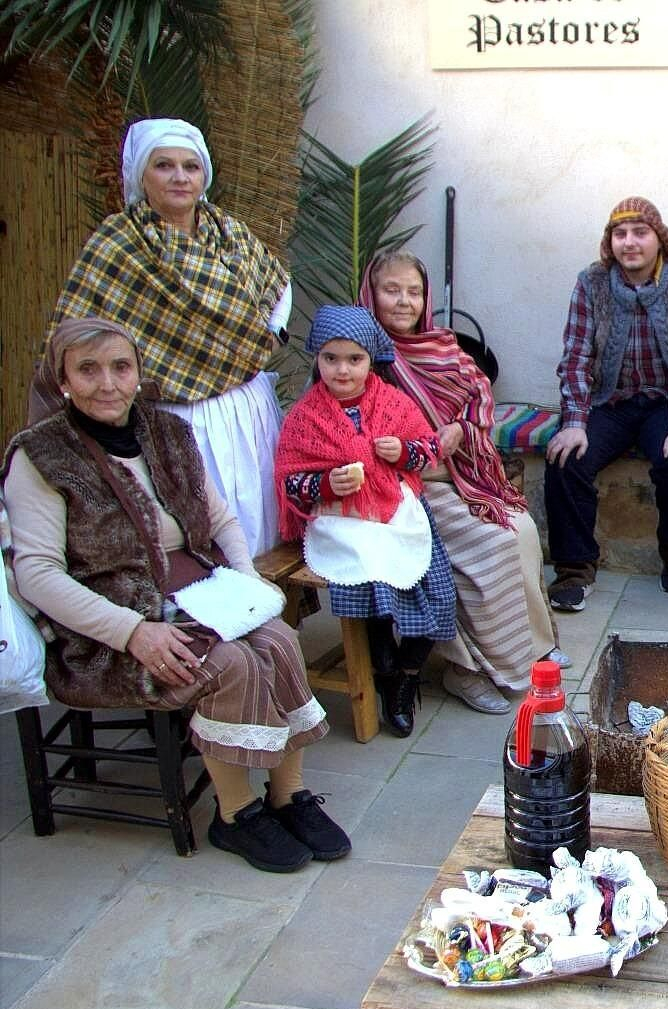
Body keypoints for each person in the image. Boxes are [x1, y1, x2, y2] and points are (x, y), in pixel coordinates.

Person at [5, 317, 347, 874]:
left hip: (201, 594)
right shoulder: (42, 457)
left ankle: (288, 796)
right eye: (87, 370)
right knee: (230, 663)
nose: (107, 383)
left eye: (120, 366)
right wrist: (133, 632)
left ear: (139, 373)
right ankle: (234, 815)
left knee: (281, 640)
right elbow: (37, 575)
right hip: (107, 628)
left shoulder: (166, 431)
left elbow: (218, 516)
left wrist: (246, 579)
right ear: (62, 380)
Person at [37, 118, 291, 556]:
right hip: (170, 419)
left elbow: (278, 290)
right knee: (190, 539)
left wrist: (263, 340)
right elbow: (73, 335)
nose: (179, 177)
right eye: (164, 165)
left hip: (242, 411)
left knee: (257, 531)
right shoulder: (117, 244)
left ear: (204, 176)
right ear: (141, 174)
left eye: (190, 167)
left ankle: (266, 617)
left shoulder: (232, 235)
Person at [360, 251, 568, 717]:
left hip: (461, 473)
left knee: (520, 529)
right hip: (405, 487)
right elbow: (361, 435)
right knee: (489, 546)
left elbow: (478, 397)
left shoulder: (441, 345)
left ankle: (530, 650)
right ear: (370, 293)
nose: (404, 301)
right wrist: (425, 453)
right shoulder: (363, 357)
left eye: (414, 292)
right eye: (391, 290)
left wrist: (461, 429)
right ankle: (466, 669)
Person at [275, 307, 457, 738]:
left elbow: (425, 448)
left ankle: (404, 675)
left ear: (371, 360)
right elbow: (292, 482)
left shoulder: (394, 402)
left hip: (396, 510)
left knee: (441, 594)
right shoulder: (305, 416)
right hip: (343, 521)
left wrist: (402, 454)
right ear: (316, 359)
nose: (342, 369)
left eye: (353, 359)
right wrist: (325, 482)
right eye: (330, 358)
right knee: (373, 590)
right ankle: (384, 665)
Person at [544, 197, 668, 611]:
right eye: (620, 234)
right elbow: (576, 356)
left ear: (659, 238)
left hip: (667, 402)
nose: (629, 242)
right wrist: (575, 420)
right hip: (609, 401)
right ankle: (575, 572)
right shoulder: (592, 282)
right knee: (565, 458)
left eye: (640, 233)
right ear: (610, 241)